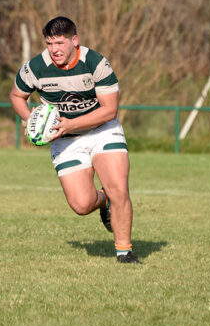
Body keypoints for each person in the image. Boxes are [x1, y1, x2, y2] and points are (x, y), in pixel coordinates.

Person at [9, 16, 140, 264]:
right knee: (81, 204)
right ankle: (105, 201)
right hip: (65, 140)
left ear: (74, 41)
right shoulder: (35, 67)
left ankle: (124, 252)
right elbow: (17, 95)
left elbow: (109, 110)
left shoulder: (96, 63)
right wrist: (30, 119)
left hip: (103, 130)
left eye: (60, 42)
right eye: (50, 43)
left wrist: (70, 123)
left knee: (118, 188)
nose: (55, 49)